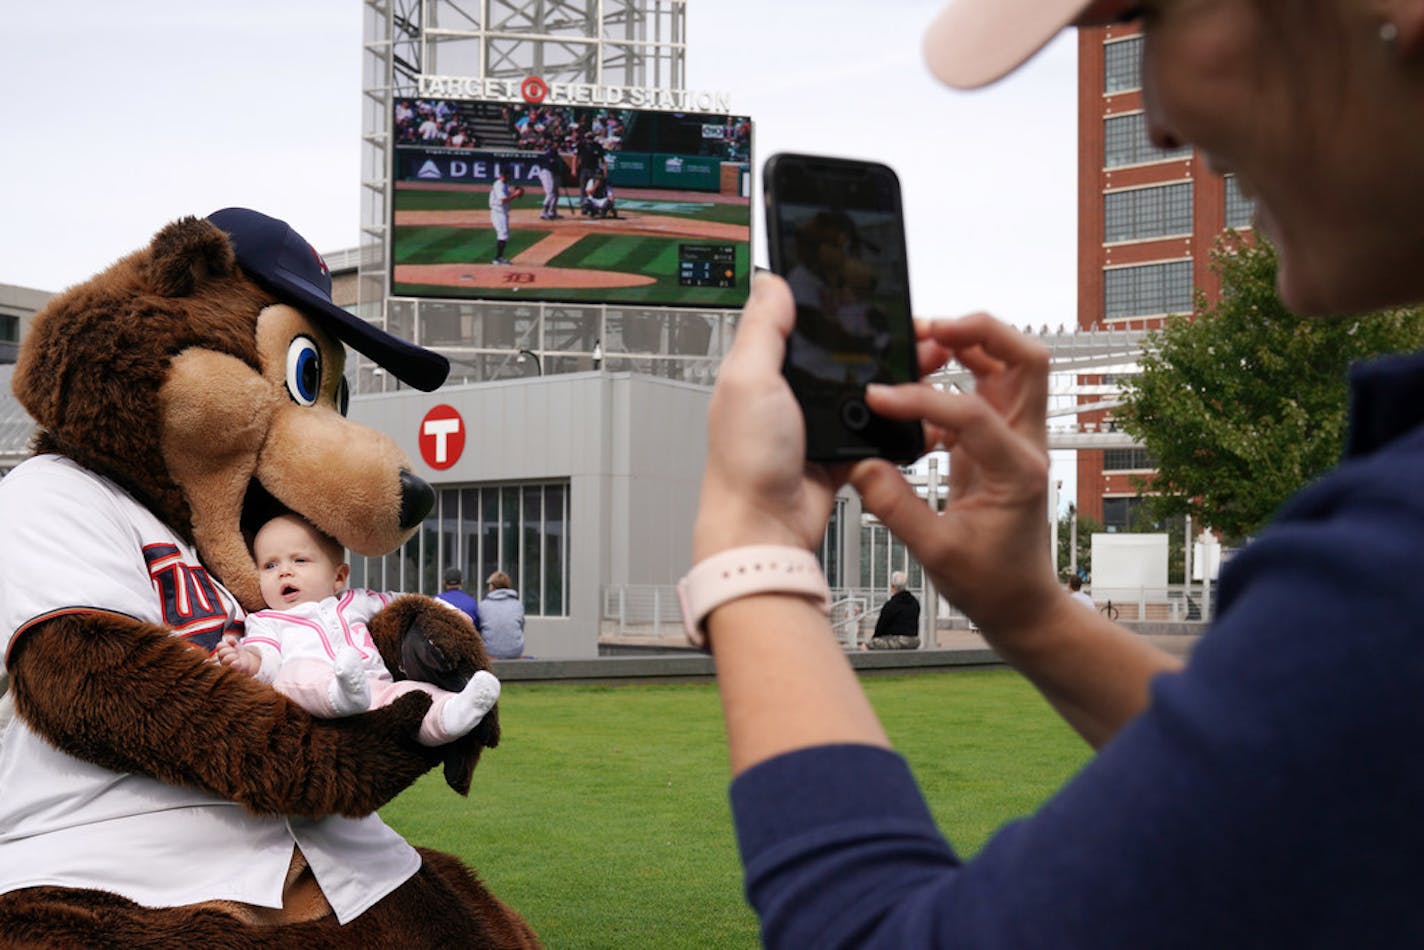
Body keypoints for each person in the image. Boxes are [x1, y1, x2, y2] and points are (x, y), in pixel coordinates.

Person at [684, 1, 1424, 943]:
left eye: (1150, 16)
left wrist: (751, 545)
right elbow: (1325, 792)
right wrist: (1027, 609)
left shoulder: (1396, 562)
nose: (1157, 119)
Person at [216, 514, 501, 747]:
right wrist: (249, 660)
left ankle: (452, 713)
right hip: (311, 703)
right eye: (270, 565)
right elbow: (267, 655)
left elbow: (407, 604)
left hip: (371, 687)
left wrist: (448, 613)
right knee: (295, 673)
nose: (284, 571)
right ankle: (339, 693)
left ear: (338, 577)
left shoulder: (357, 602)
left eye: (299, 560)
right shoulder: (267, 619)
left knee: (413, 696)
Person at [866, 570, 920, 650]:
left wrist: (874, 639)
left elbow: (880, 627)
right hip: (914, 641)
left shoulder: (891, 605)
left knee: (867, 645)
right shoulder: (915, 602)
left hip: (897, 641)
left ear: (892, 586)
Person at [477, 570, 525, 659]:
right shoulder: (518, 605)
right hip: (515, 651)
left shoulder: (483, 605)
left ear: (492, 587)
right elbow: (521, 628)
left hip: (490, 652)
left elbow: (479, 630)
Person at [488, 166, 519, 265]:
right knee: (503, 234)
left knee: (504, 234)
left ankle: (499, 257)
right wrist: (515, 194)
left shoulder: (503, 184)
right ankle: (498, 258)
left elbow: (507, 193)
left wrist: (514, 191)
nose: (510, 177)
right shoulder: (499, 185)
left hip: (501, 212)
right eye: (509, 175)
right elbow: (503, 200)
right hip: (498, 213)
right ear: (504, 175)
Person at [534, 138, 562, 220]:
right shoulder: (551, 152)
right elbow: (551, 164)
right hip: (546, 172)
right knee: (550, 193)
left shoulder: (555, 152)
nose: (557, 144)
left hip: (551, 173)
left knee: (555, 194)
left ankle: (552, 212)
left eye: (558, 143)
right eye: (556, 143)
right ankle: (544, 213)